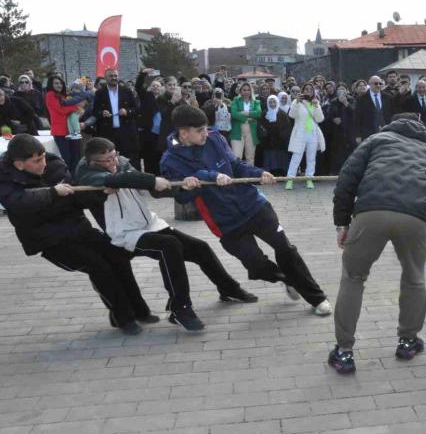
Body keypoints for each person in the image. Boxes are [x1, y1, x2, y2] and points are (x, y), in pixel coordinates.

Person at [160, 105, 332, 315]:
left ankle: (317, 298)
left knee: (285, 248)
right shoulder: (170, 160)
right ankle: (287, 279)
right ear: (184, 132)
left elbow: (236, 165)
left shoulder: (215, 138)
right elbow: (180, 196)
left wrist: (259, 174)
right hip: (226, 222)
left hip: (253, 205)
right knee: (256, 265)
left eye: (206, 128)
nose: (206, 133)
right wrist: (187, 186)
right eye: (200, 130)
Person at [75, 138, 254, 331]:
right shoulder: (86, 174)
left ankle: (228, 288)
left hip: (149, 223)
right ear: (93, 162)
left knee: (199, 247)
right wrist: (151, 180)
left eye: (114, 156)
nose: (113, 162)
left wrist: (181, 187)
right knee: (169, 245)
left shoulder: (122, 163)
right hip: (124, 233)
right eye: (107, 160)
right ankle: (180, 308)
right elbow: (117, 180)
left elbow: (146, 185)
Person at [328, 113, 426, 374]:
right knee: (414, 277)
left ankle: (344, 351)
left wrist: (342, 223)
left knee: (353, 278)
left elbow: (346, 180)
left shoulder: (375, 140)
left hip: (371, 211)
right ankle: (408, 341)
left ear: (391, 124)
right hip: (414, 217)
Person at [0, 134, 155, 334]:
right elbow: (19, 203)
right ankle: (123, 317)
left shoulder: (54, 164)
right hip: (49, 240)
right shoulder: (5, 177)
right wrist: (52, 193)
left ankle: (139, 310)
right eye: (37, 161)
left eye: (43, 157)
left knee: (118, 256)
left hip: (79, 228)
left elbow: (77, 198)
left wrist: (99, 193)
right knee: (98, 266)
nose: (43, 163)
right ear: (19, 164)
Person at [92, 68, 140, 169]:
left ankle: (133, 176)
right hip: (108, 132)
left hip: (126, 132)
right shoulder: (100, 93)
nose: (114, 78)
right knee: (109, 159)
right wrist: (102, 113)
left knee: (130, 159)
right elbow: (95, 111)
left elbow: (136, 109)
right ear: (105, 78)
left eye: (116, 76)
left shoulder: (127, 91)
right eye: (111, 76)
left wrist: (127, 111)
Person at [286, 83, 325, 190]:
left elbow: (320, 119)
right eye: (306, 89)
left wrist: (317, 106)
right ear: (302, 91)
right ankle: (290, 179)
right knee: (296, 157)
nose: (308, 91)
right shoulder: (297, 101)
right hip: (300, 133)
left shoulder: (315, 102)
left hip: (312, 133)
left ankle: (309, 179)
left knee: (311, 158)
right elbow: (291, 115)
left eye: (310, 89)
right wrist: (297, 102)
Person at [44, 75, 86, 175]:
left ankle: (76, 176)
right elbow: (60, 110)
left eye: (60, 83)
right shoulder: (50, 95)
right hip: (60, 131)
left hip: (71, 129)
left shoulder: (63, 95)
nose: (59, 85)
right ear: (51, 85)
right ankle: (71, 178)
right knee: (68, 158)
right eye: (56, 83)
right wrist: (75, 108)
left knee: (76, 155)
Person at [260, 93, 292, 176]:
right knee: (270, 159)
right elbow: (261, 126)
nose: (272, 104)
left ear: (277, 102)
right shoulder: (264, 114)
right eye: (270, 102)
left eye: (274, 102)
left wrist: (281, 135)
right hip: (268, 142)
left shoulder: (282, 114)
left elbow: (287, 128)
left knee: (281, 160)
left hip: (280, 143)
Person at [354, 75, 392, 143]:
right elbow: (357, 118)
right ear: (370, 84)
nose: (378, 85)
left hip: (385, 133)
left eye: (380, 83)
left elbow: (391, 113)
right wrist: (358, 135)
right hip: (368, 134)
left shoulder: (387, 97)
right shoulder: (361, 99)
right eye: (376, 83)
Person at [229, 82, 261, 163]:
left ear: (251, 91)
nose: (246, 92)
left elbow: (258, 113)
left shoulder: (256, 102)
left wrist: (245, 113)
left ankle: (250, 172)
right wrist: (246, 119)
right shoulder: (236, 100)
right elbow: (234, 114)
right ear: (240, 91)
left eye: (248, 90)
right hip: (237, 132)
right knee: (237, 157)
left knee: (250, 157)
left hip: (251, 132)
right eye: (244, 90)